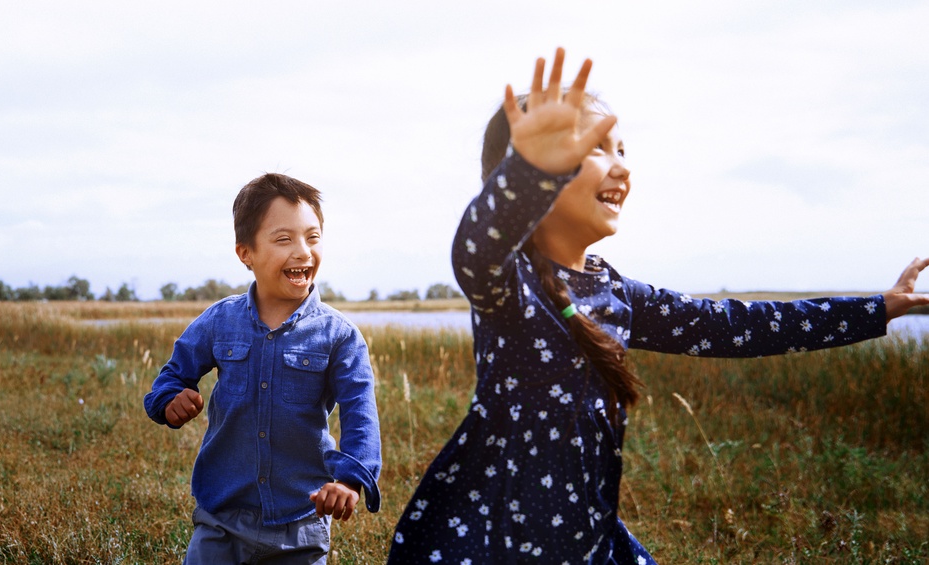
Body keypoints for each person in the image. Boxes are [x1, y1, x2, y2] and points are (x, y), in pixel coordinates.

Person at [387, 48, 929, 564]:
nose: (620, 167)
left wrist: (875, 309)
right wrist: (530, 173)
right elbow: (475, 247)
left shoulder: (616, 294)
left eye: (622, 150)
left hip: (584, 535)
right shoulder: (507, 286)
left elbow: (733, 326)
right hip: (491, 536)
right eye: (594, 149)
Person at [144, 173, 382, 564]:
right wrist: (170, 399)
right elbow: (170, 379)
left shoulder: (339, 336)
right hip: (221, 519)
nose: (303, 251)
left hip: (301, 524)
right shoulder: (220, 321)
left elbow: (361, 414)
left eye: (313, 237)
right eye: (284, 239)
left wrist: (350, 479)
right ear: (246, 253)